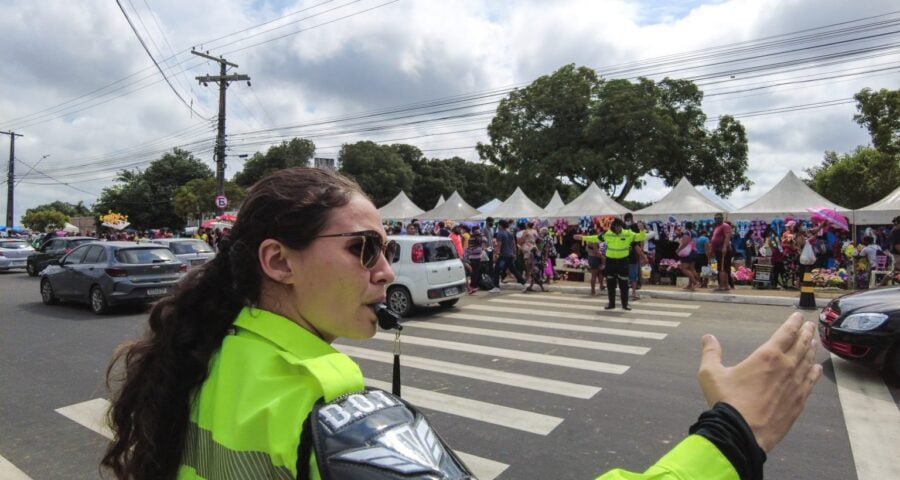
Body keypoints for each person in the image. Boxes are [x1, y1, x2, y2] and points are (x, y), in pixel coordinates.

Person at [102, 168, 823, 480]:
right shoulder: (330, 408)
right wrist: (730, 438)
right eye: (365, 249)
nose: (386, 270)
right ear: (278, 262)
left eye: (387, 248)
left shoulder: (208, 354)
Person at [576, 218, 634, 310]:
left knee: (624, 284)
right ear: (613, 226)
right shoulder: (607, 233)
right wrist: (583, 237)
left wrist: (643, 231)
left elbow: (639, 237)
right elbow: (595, 238)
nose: (618, 228)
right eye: (616, 226)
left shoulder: (627, 233)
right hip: (610, 261)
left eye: (619, 226)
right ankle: (611, 303)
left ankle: (625, 304)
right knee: (610, 283)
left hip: (623, 261)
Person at [492, 218, 526, 291]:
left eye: (498, 225)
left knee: (496, 270)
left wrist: (496, 254)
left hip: (503, 254)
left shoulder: (500, 233)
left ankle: (496, 287)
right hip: (510, 254)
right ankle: (523, 283)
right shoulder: (510, 233)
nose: (498, 226)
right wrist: (514, 253)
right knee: (513, 270)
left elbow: (499, 245)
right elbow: (514, 244)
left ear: (501, 225)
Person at [709, 214, 733, 292]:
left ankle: (722, 286)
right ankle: (725, 285)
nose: (717, 219)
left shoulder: (725, 226)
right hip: (718, 250)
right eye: (716, 218)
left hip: (723, 250)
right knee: (722, 268)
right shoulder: (716, 227)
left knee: (722, 268)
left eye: (719, 218)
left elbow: (727, 237)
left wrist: (724, 247)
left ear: (722, 218)